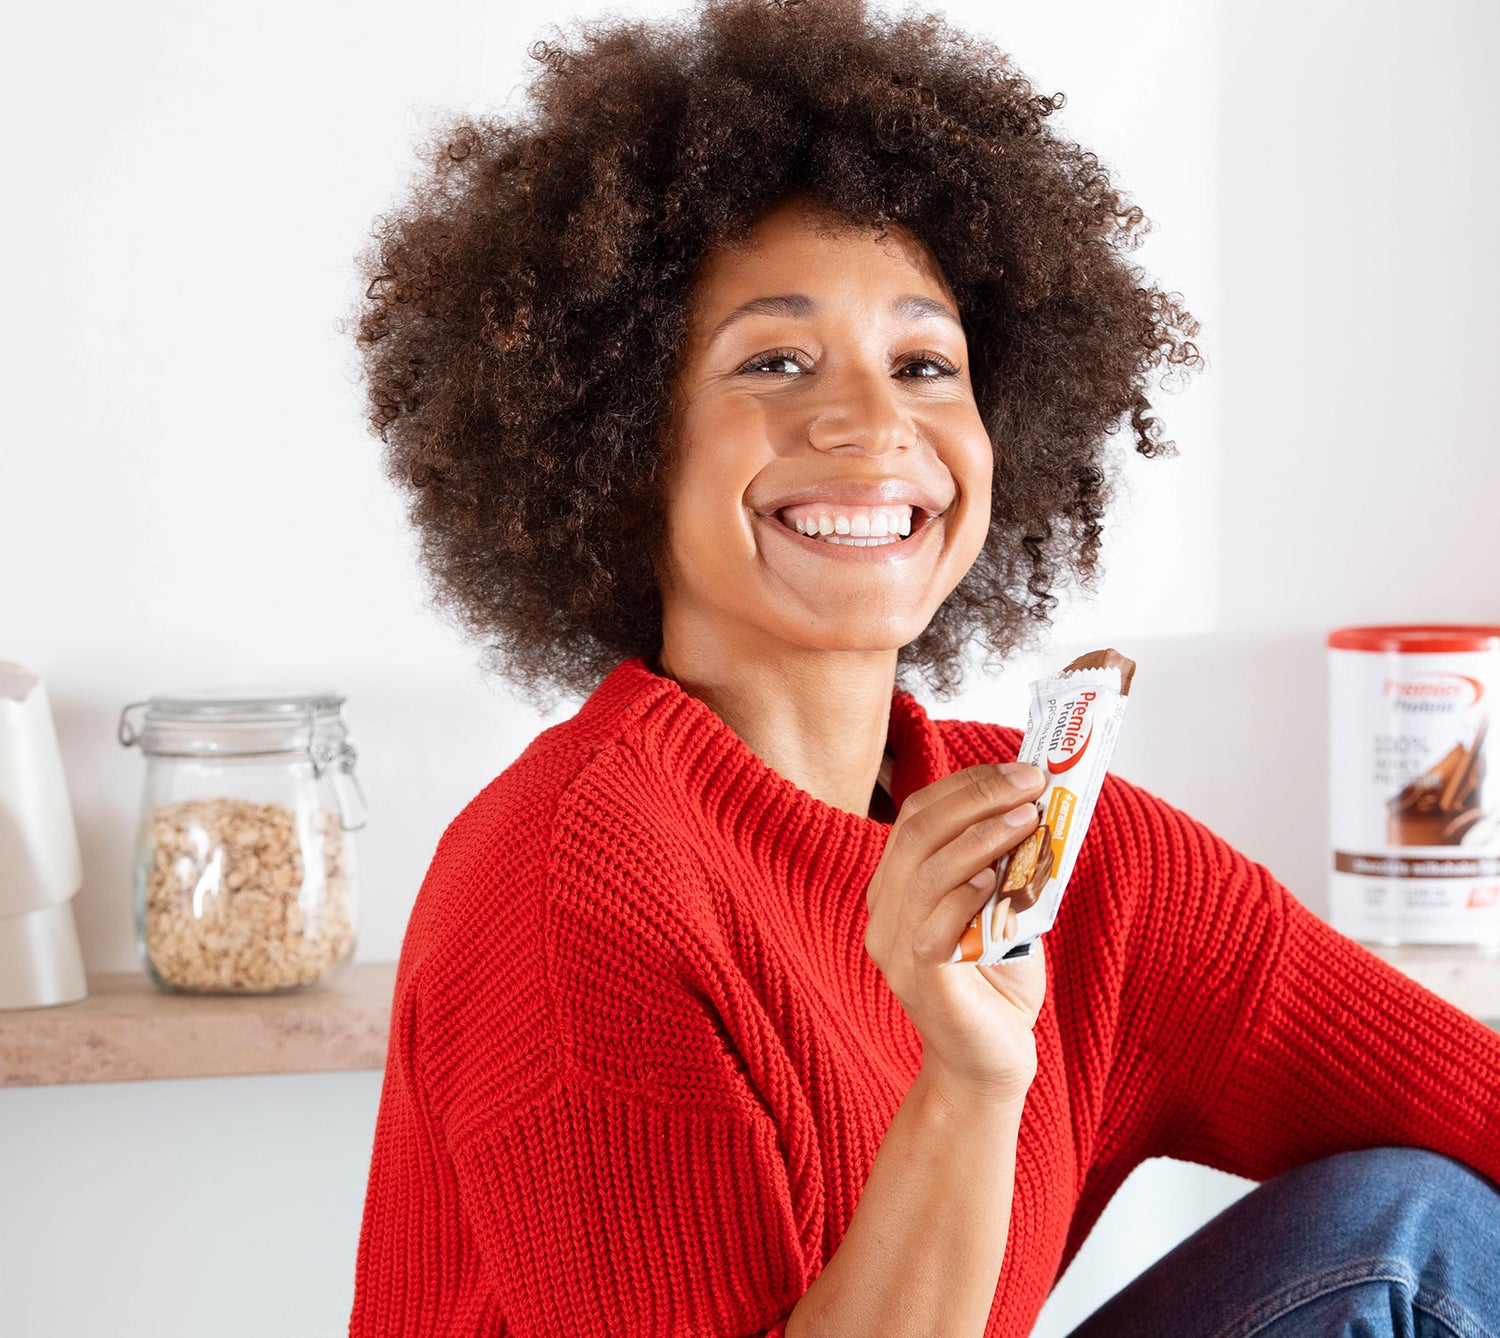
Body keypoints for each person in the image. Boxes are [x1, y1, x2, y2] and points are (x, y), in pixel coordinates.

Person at [346, 1, 1500, 1333]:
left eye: (925, 362)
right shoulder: (565, 880)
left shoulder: (1068, 854)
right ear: (617, 441)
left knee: (1413, 1232)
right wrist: (967, 1076)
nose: (870, 421)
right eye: (775, 359)